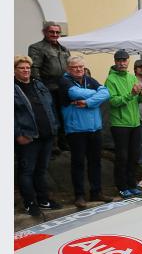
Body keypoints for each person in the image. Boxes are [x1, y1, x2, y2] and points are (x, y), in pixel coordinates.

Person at [58, 56, 112, 208]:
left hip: (94, 128)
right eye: (75, 67)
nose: (79, 69)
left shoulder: (90, 79)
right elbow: (74, 94)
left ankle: (96, 191)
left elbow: (107, 93)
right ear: (68, 69)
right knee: (78, 163)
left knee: (95, 162)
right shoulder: (64, 81)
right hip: (76, 130)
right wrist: (96, 95)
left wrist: (88, 102)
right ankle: (79, 195)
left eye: (81, 66)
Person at [14, 55, 61, 216]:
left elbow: (50, 106)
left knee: (41, 170)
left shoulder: (38, 84)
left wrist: (54, 126)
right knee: (27, 171)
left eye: (28, 67)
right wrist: (18, 134)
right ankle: (30, 203)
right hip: (28, 137)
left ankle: (43, 199)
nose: (26, 70)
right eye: (22, 68)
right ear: (14, 71)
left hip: (46, 134)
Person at [105, 49, 142, 198]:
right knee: (122, 157)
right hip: (119, 124)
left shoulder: (133, 77)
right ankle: (121, 186)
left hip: (134, 123)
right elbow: (113, 102)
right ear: (115, 62)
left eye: (124, 60)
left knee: (134, 156)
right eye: (119, 60)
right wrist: (131, 94)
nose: (122, 63)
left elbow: (137, 100)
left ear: (128, 62)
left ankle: (132, 184)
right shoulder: (110, 80)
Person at [28, 21, 70, 151]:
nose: (55, 34)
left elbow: (69, 67)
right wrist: (39, 87)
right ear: (45, 32)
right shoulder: (36, 47)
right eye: (52, 32)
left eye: (57, 32)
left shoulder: (64, 48)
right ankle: (53, 145)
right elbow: (34, 69)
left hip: (63, 87)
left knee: (64, 114)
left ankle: (64, 142)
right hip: (47, 87)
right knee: (51, 116)